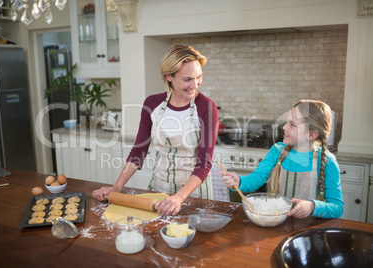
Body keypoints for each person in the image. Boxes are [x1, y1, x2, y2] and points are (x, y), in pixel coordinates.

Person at [93, 44, 219, 216]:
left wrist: (179, 198)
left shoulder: (206, 107)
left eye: (199, 77)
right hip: (158, 192)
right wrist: (117, 187)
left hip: (194, 195)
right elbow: (139, 151)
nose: (195, 84)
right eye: (187, 79)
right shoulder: (152, 104)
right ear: (169, 77)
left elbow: (204, 164)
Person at [220, 100, 343, 218]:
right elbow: (256, 179)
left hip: (308, 230)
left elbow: (337, 208)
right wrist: (239, 182)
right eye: (287, 122)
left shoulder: (328, 161)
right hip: (276, 223)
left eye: (292, 124)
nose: (284, 127)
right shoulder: (277, 151)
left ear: (311, 135)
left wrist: (312, 207)